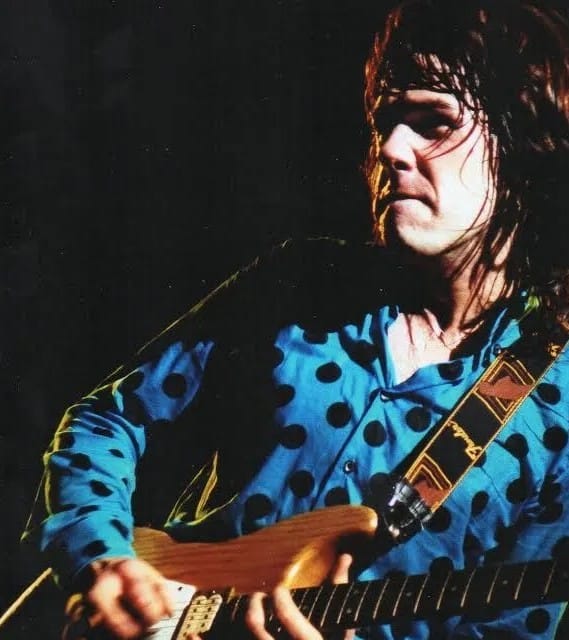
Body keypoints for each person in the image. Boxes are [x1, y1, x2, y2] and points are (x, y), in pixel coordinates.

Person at [25, 0, 569, 638]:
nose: (392, 148)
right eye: (387, 121)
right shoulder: (302, 282)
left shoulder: (557, 406)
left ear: (524, 148)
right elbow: (109, 419)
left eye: (432, 123)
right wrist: (101, 556)